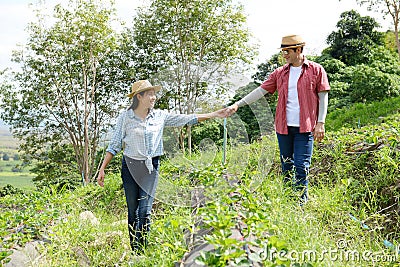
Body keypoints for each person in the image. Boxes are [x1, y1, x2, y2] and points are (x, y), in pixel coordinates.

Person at [97, 80, 227, 253]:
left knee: (144, 211)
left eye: (153, 93)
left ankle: (142, 251)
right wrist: (102, 169)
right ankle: (135, 250)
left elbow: (187, 119)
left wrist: (215, 114)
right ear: (139, 97)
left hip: (151, 168)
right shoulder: (126, 118)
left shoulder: (160, 116)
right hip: (130, 168)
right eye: (149, 94)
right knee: (132, 211)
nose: (153, 97)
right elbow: (114, 144)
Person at [227, 34, 330, 204]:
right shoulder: (280, 73)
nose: (284, 55)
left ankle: (301, 202)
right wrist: (238, 104)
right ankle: (288, 200)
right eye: (283, 52)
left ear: (298, 50)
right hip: (284, 128)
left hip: (305, 127)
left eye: (287, 51)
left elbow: (323, 96)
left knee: (302, 166)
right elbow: (261, 91)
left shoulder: (316, 70)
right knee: (287, 165)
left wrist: (321, 123)